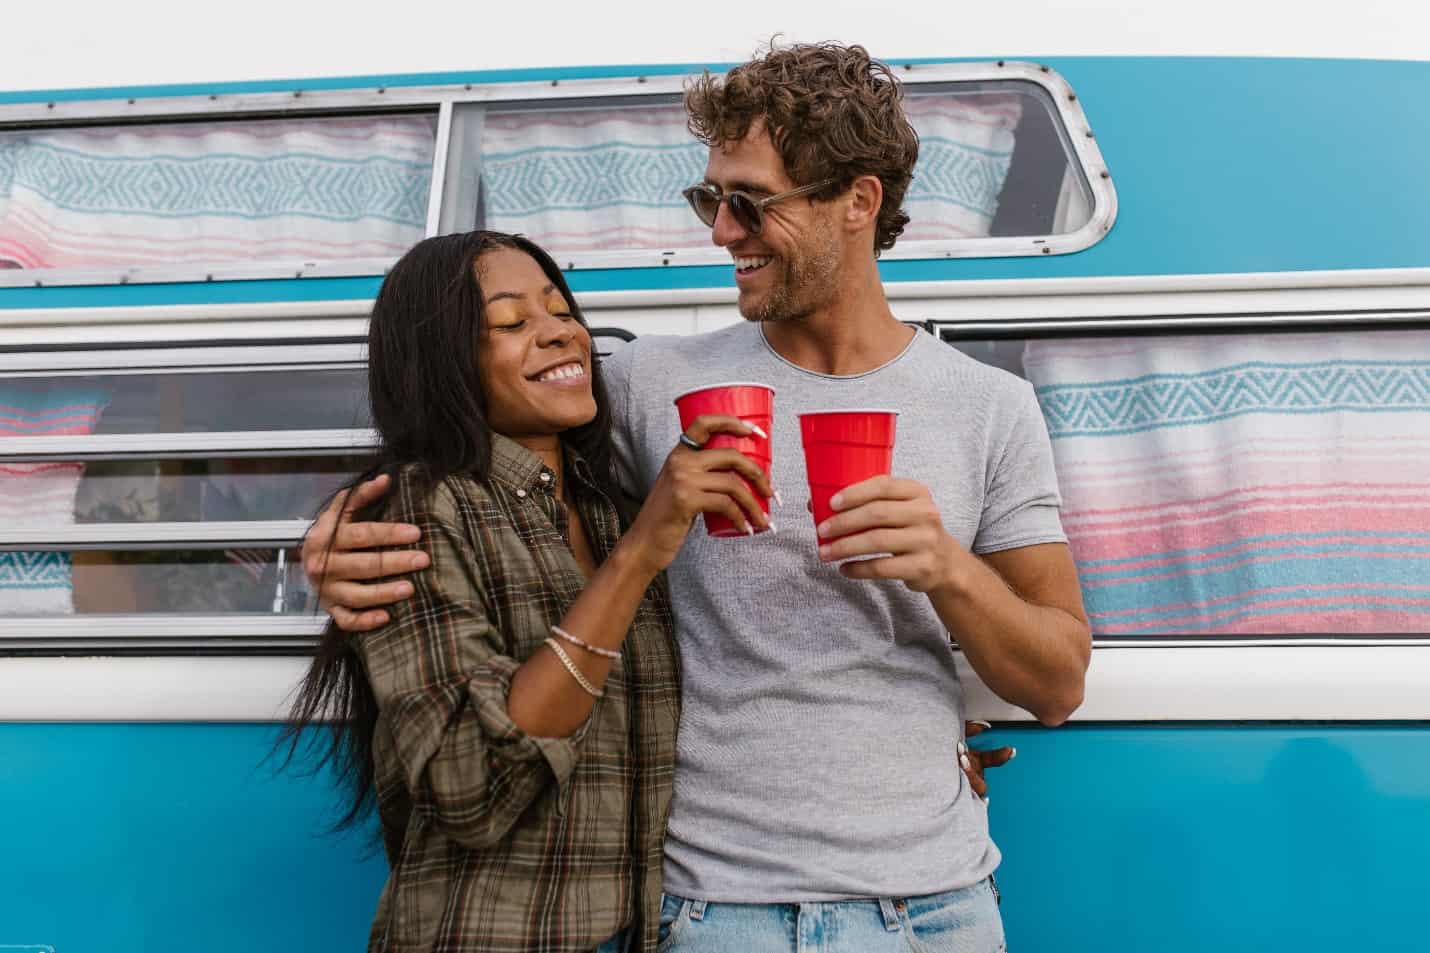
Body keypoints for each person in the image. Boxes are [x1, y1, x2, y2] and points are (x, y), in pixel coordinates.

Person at [305, 44, 1089, 953]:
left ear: (858, 203)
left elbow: (1059, 680)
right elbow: (476, 440)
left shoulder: (987, 406)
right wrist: (334, 542)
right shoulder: (647, 385)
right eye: (708, 199)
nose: (722, 230)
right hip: (723, 909)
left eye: (750, 203)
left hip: (943, 902)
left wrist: (951, 572)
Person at [279, 229, 779, 953]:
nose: (558, 335)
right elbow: (474, 787)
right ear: (444, 364)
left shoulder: (608, 509)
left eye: (560, 310)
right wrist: (641, 555)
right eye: (512, 323)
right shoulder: (422, 509)